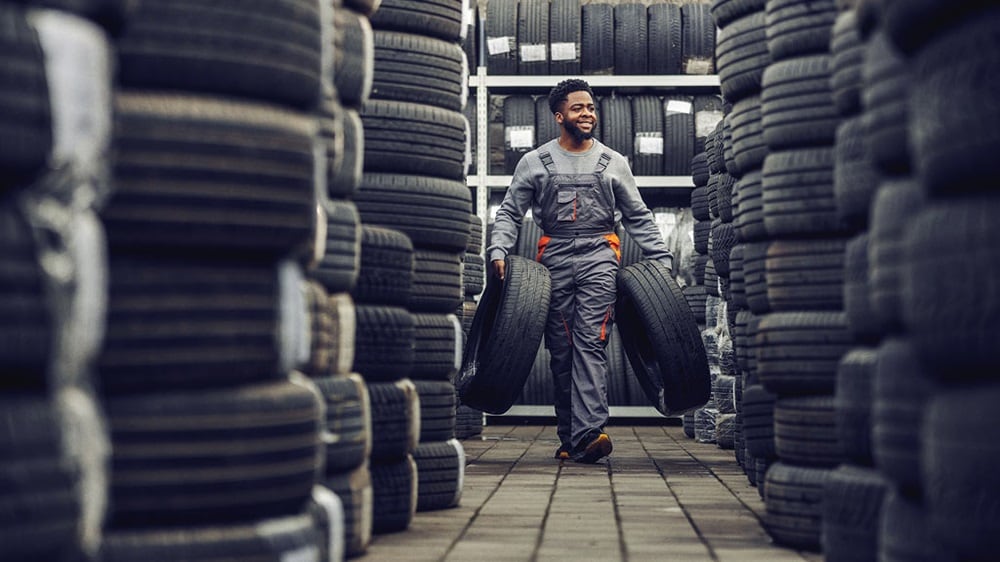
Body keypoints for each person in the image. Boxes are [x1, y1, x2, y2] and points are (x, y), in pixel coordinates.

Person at [487, 79, 673, 463]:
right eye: (578, 108)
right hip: (552, 255)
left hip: (600, 253)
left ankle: (591, 431)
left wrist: (662, 258)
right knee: (561, 348)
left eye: (590, 107)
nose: (587, 113)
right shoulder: (535, 162)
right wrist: (498, 249)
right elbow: (509, 212)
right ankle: (572, 439)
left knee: (591, 339)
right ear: (559, 116)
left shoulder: (613, 162)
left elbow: (638, 217)